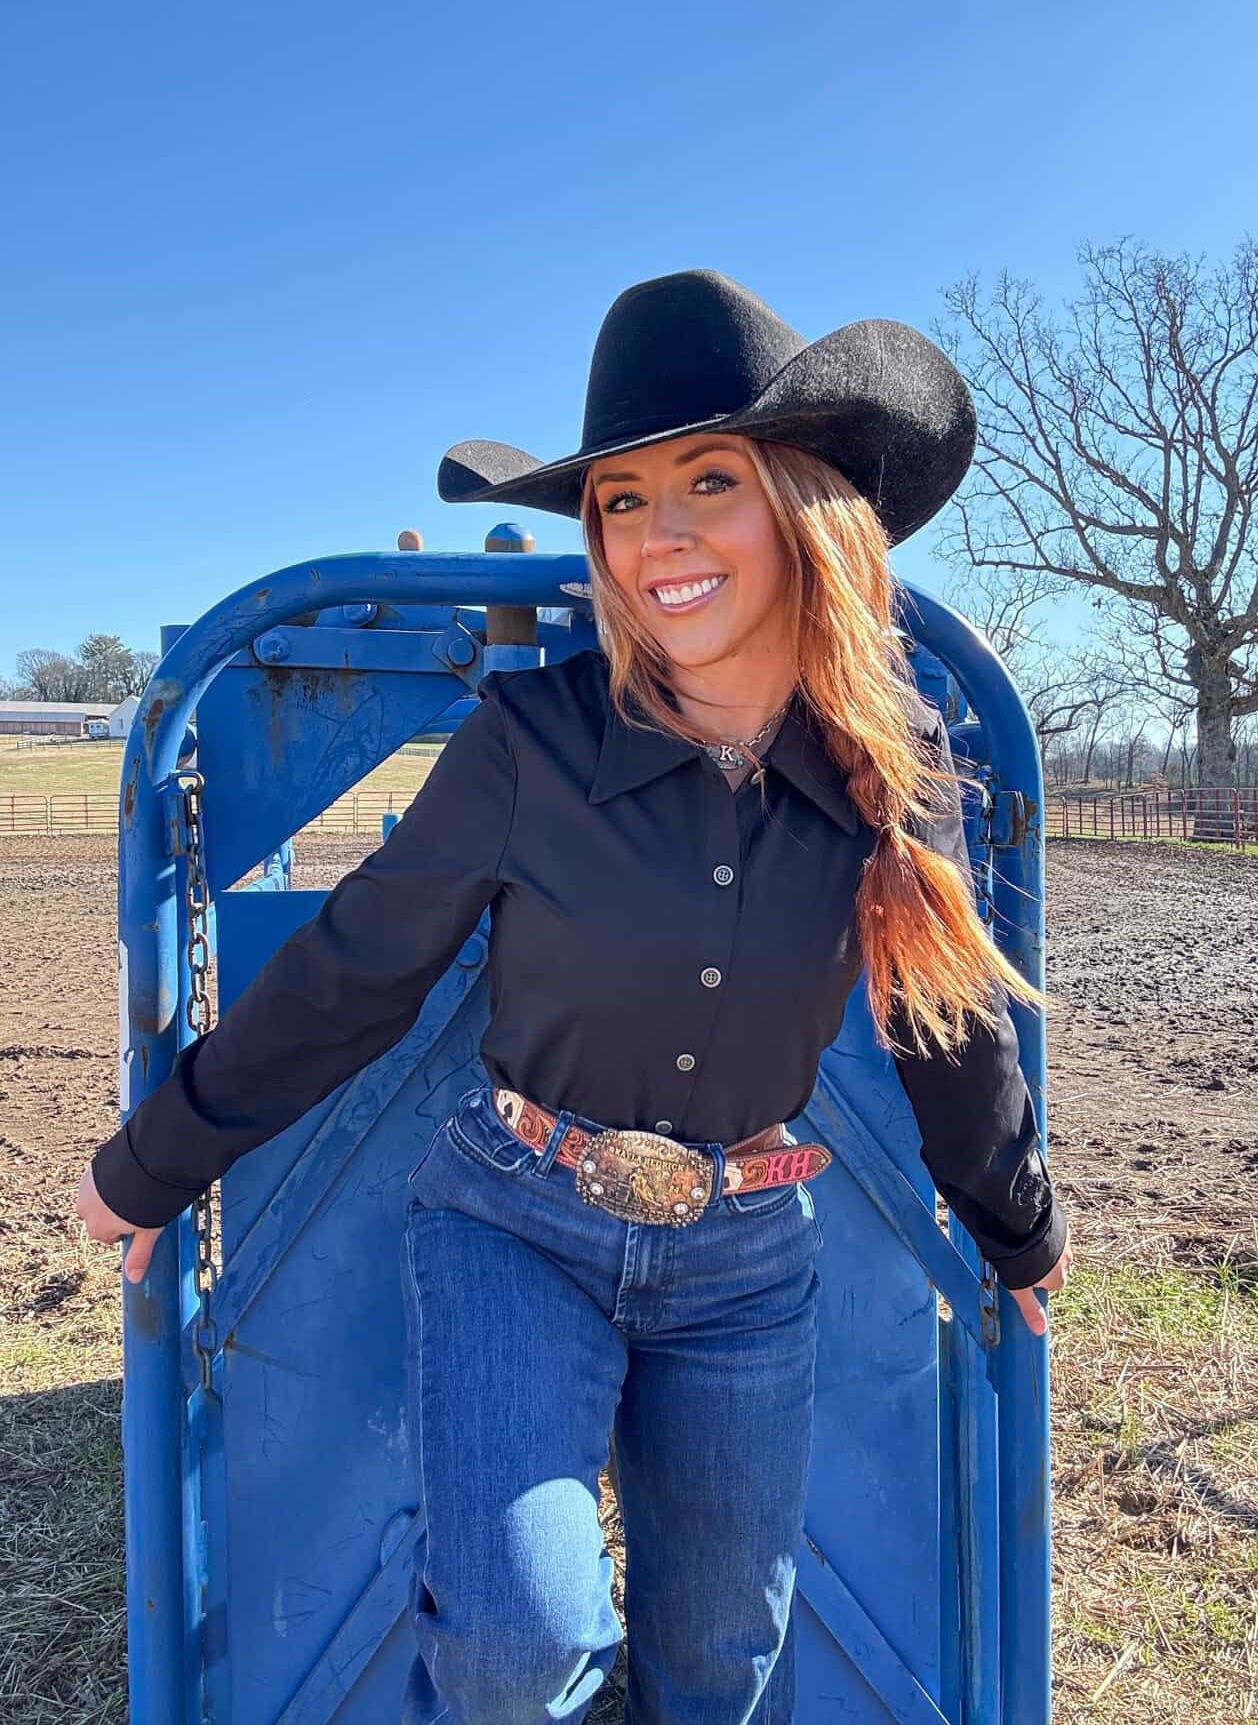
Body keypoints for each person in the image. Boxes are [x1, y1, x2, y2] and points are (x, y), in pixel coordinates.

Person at [76, 269, 1072, 1725]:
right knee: (515, 1643)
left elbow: (945, 1021)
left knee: (724, 1650)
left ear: (805, 508)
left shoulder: (895, 765)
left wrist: (1015, 1224)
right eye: (619, 500)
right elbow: (358, 969)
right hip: (510, 1224)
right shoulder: (528, 742)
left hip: (746, 1261)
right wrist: (151, 1164)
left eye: (707, 481)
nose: (656, 535)